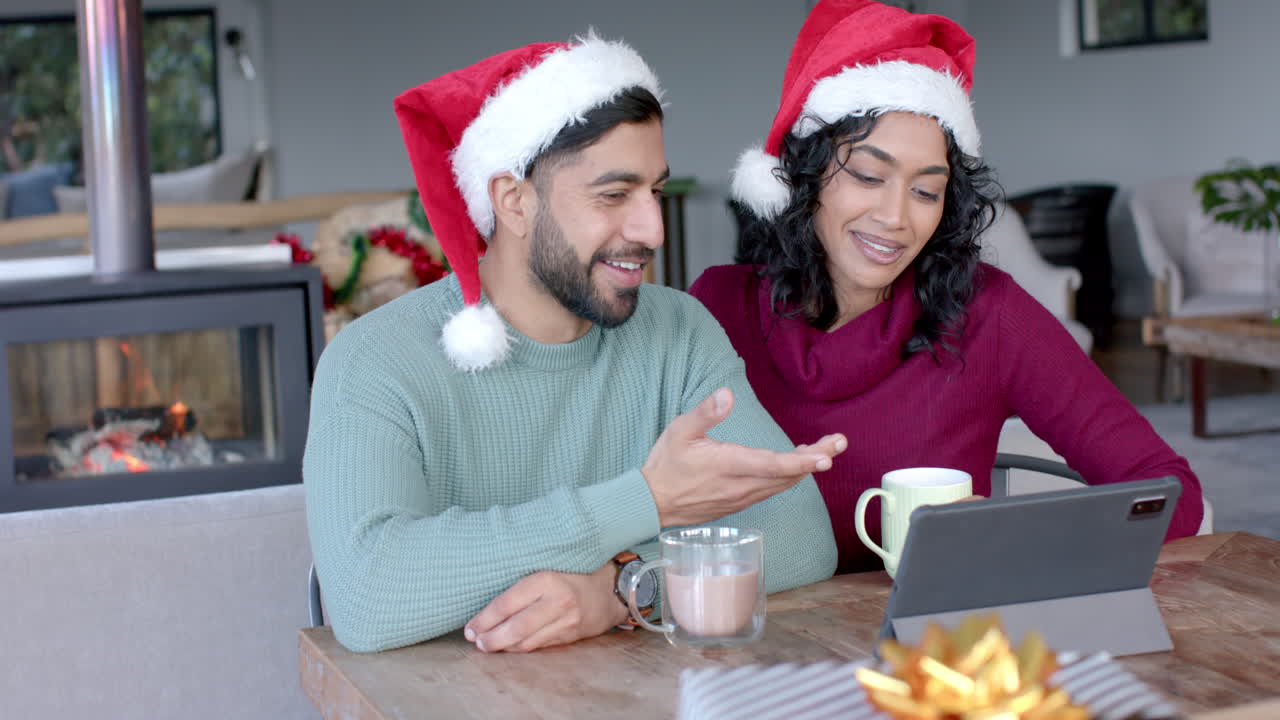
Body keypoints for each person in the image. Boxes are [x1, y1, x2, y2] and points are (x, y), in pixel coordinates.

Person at [303, 33, 843, 654]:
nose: (652, 230)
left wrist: (622, 589)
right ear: (513, 202)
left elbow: (799, 534)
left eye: (654, 192)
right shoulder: (375, 360)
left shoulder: (678, 331)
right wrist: (645, 501)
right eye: (613, 196)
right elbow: (370, 594)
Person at [689, 0, 1203, 575]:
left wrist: (1007, 537)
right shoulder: (714, 308)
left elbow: (1167, 491)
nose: (895, 217)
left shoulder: (990, 314)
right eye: (867, 175)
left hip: (936, 649)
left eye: (926, 191)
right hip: (749, 642)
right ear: (805, 174)